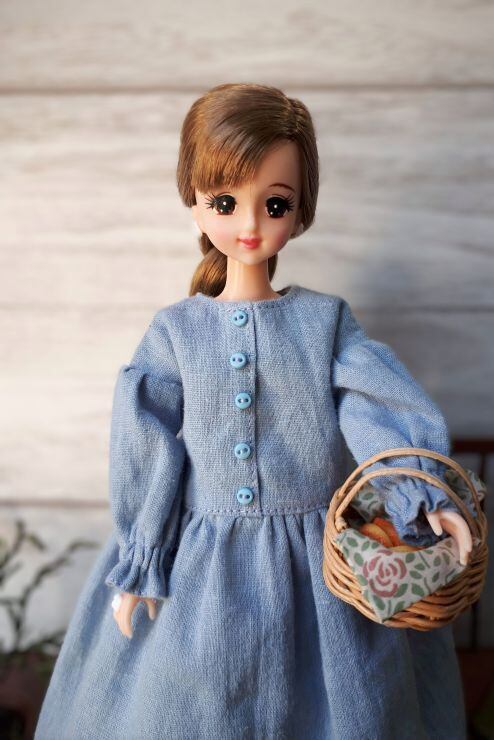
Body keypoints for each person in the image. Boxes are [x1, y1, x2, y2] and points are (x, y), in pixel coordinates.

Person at [35, 82, 470, 739]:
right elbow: (148, 445)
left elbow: (373, 407)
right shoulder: (175, 332)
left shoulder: (324, 322)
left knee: (349, 705)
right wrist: (142, 559)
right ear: (194, 202)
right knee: (191, 706)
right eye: (224, 201)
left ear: (300, 210)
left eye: (275, 204)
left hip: (322, 572)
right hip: (201, 569)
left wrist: (418, 493)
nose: (250, 224)